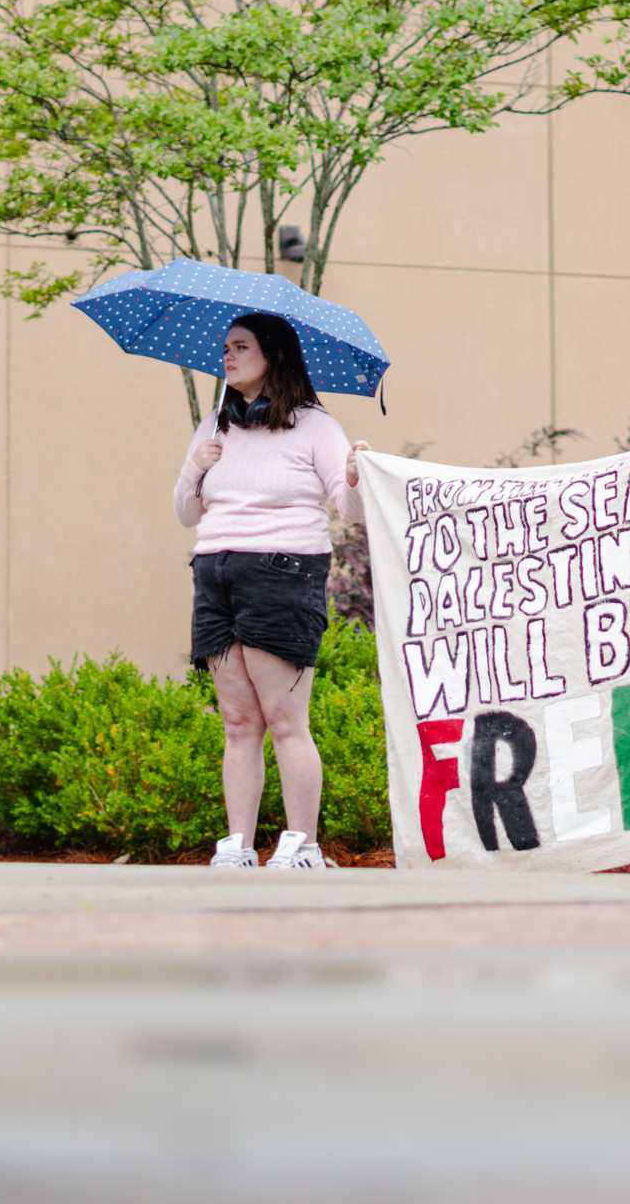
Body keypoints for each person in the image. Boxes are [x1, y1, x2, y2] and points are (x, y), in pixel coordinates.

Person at [173, 312, 368, 870]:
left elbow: (347, 510)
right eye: (225, 348)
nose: (228, 357)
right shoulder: (215, 426)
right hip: (214, 571)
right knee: (238, 722)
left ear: (273, 355)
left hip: (283, 572)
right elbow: (185, 512)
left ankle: (301, 843)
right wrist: (195, 466)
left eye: (240, 347)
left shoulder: (314, 426)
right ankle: (238, 844)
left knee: (285, 720)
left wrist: (354, 473)